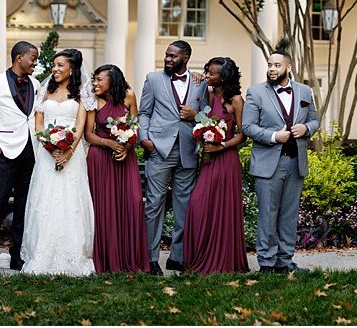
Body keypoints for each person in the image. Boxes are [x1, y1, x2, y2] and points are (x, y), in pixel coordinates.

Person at [18, 48, 96, 276]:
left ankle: (73, 256)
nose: (55, 69)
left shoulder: (83, 92)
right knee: (45, 200)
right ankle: (41, 254)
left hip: (73, 155)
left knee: (71, 202)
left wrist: (69, 152)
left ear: (72, 69)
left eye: (60, 65)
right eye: (53, 65)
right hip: (46, 154)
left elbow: (81, 125)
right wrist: (49, 146)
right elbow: (39, 122)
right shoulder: (45, 90)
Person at [241, 51, 320, 273]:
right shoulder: (255, 92)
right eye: (269, 65)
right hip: (269, 164)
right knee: (268, 215)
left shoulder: (304, 91)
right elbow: (247, 126)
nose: (272, 69)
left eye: (277, 65)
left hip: (296, 163)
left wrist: (306, 128)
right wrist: (275, 136)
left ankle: (285, 261)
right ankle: (266, 263)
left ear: (289, 67)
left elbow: (314, 120)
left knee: (289, 215)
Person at [139, 40, 206, 274]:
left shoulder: (201, 83)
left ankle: (178, 257)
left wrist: (196, 114)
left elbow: (208, 115)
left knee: (184, 207)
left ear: (185, 58)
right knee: (154, 205)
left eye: (173, 56)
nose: (167, 59)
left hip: (188, 150)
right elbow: (144, 112)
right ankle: (150, 258)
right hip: (159, 149)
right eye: (166, 55)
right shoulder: (153, 79)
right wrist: (145, 139)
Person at [0, 41, 40, 275]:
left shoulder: (35, 84)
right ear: (19, 58)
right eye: (33, 58)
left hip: (31, 152)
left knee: (24, 207)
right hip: (5, 152)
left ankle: (17, 256)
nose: (35, 62)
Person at [182, 56, 248, 274]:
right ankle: (200, 258)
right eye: (207, 71)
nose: (208, 75)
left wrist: (222, 147)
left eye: (212, 73)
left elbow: (243, 135)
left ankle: (222, 260)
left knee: (222, 208)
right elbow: (202, 115)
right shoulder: (208, 94)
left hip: (225, 159)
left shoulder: (236, 100)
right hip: (208, 160)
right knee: (198, 205)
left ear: (224, 76)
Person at [84, 63, 150, 274]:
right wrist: (109, 144)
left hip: (125, 157)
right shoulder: (93, 101)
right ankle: (105, 259)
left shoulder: (128, 96)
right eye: (93, 79)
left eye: (99, 79)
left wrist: (127, 145)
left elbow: (135, 125)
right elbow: (89, 134)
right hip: (100, 157)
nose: (94, 83)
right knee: (103, 207)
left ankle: (128, 258)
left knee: (131, 202)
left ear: (112, 80)